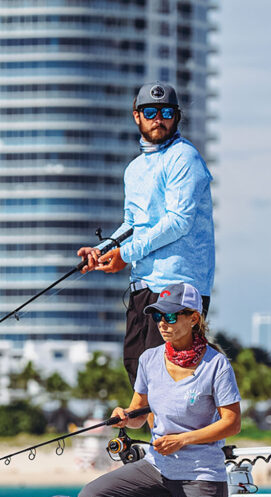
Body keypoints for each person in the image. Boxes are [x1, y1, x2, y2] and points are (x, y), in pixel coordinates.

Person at [77, 282, 240, 497]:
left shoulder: (216, 365)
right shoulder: (149, 359)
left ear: (194, 319)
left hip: (200, 473)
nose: (163, 324)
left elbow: (232, 423)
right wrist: (125, 417)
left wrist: (182, 440)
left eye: (171, 316)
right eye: (158, 316)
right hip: (157, 467)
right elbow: (138, 414)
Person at [78, 82, 215, 386]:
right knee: (139, 371)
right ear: (136, 116)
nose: (158, 118)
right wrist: (103, 250)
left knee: (170, 375)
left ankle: (176, 435)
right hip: (143, 284)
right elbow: (132, 223)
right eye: (150, 111)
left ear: (176, 117)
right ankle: (159, 436)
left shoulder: (184, 157)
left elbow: (179, 220)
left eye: (167, 112)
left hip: (179, 285)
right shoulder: (134, 169)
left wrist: (124, 255)